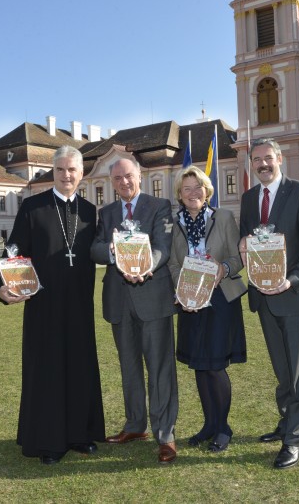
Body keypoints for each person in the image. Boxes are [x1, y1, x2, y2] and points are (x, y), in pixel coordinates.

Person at [0, 145, 105, 465]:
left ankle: (79, 435)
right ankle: (49, 441)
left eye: (73, 169)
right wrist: (3, 288)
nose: (67, 175)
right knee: (48, 373)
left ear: (81, 173)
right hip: (43, 307)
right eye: (61, 170)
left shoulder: (89, 210)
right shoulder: (32, 207)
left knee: (78, 369)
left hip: (79, 308)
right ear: (53, 172)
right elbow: (14, 253)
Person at [239, 137, 299, 469]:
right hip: (264, 298)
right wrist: (242, 244)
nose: (262, 164)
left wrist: (291, 279)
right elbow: (247, 239)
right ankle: (287, 420)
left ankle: (295, 438)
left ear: (280, 159)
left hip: (294, 295)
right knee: (282, 369)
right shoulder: (248, 199)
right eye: (257, 159)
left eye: (268, 158)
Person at [90, 158, 178, 464]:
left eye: (128, 176)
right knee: (129, 368)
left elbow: (163, 248)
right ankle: (135, 425)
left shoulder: (159, 205)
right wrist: (111, 253)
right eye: (117, 179)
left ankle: (165, 434)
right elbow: (95, 247)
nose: (124, 182)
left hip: (152, 296)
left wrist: (145, 266)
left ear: (140, 175)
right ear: (112, 182)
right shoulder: (107, 212)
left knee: (159, 369)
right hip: (118, 300)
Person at [168, 165, 247, 453]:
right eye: (186, 188)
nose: (193, 193)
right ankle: (209, 424)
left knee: (215, 366)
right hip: (191, 302)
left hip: (220, 299)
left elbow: (237, 258)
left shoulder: (224, 217)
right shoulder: (174, 223)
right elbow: (173, 264)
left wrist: (223, 268)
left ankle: (223, 427)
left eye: (197, 186)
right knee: (200, 367)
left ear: (207, 190)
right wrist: (184, 288)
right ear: (179, 193)